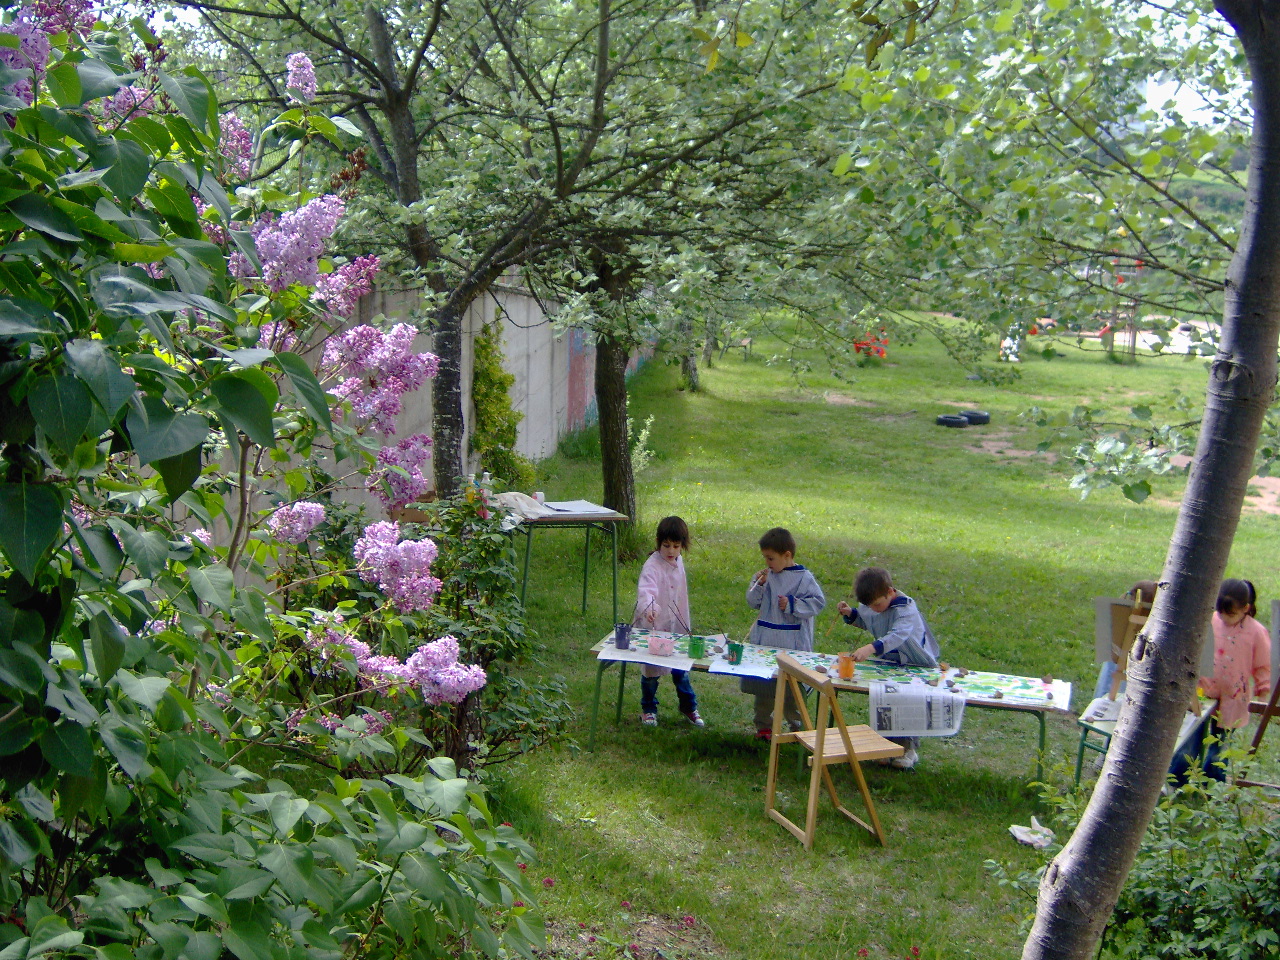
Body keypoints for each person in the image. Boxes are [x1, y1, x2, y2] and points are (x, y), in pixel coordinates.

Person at [835, 566, 941, 770]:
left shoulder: (906, 609)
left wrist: (871, 648)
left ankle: (908, 749)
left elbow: (898, 635)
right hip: (890, 662)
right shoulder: (874, 604)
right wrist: (852, 614)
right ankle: (885, 746)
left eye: (877, 604)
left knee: (907, 701)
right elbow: (870, 620)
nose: (874, 609)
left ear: (890, 592)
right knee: (886, 699)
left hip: (916, 662)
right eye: (870, 606)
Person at [743, 527, 826, 740]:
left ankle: (797, 728)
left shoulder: (804, 578)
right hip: (765, 640)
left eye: (771, 558)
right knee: (764, 688)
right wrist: (758, 585)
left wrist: (792, 604)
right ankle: (764, 725)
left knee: (792, 691)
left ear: (787, 555)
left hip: (792, 643)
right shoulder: (765, 576)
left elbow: (817, 603)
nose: (767, 562)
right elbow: (752, 601)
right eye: (765, 558)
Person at [1194, 578, 1272, 781]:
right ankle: (1178, 783)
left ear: (1246, 608)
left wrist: (1263, 693)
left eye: (1231, 615)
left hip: (1233, 698)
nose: (1225, 619)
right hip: (1203, 691)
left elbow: (1263, 666)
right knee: (1191, 740)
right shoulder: (1209, 621)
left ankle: (1212, 787)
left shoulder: (1257, 632)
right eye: (1221, 613)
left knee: (1220, 749)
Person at [635, 516, 704, 728]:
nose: (671, 551)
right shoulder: (652, 566)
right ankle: (648, 709)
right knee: (650, 674)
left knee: (680, 670)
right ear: (658, 543)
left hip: (676, 625)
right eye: (666, 546)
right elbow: (646, 590)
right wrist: (649, 608)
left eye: (676, 546)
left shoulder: (678, 561)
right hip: (654, 625)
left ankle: (688, 706)